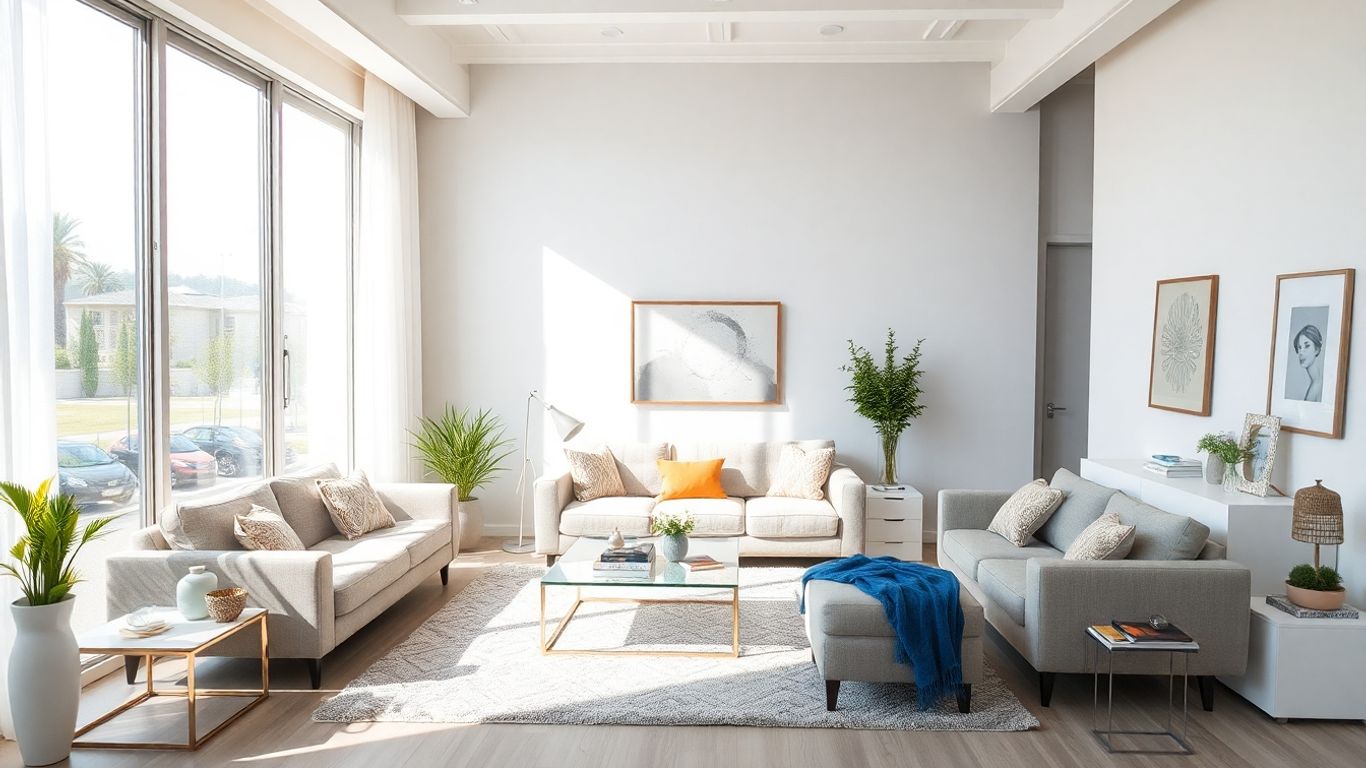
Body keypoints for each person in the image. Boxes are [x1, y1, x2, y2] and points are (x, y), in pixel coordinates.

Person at [1292, 324, 1324, 402]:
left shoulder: (1318, 385)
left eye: (1307, 346)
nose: (1301, 352)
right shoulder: (1315, 381)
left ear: (1316, 349)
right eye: (1299, 347)